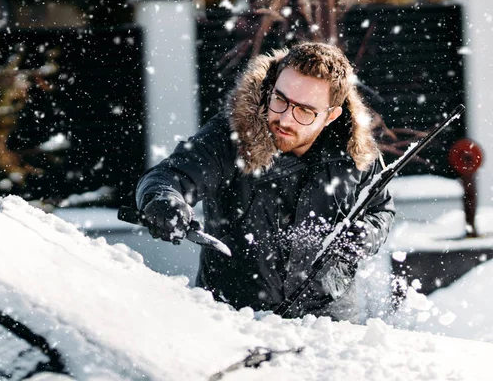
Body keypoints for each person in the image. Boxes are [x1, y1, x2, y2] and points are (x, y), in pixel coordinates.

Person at [135, 42, 395, 322]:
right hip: (236, 324)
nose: (284, 118)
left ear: (331, 116)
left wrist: (364, 235)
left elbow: (381, 210)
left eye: (305, 111)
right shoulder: (232, 134)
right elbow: (170, 177)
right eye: (280, 99)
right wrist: (163, 201)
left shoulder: (354, 153)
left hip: (331, 328)